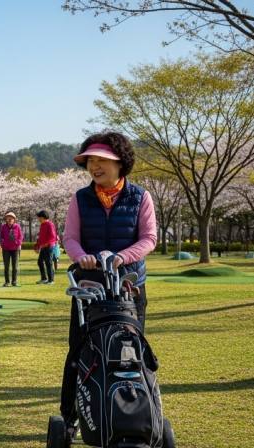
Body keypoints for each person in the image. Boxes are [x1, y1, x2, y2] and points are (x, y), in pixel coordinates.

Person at [59, 131, 157, 432]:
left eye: (102, 160)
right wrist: (82, 257)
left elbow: (149, 238)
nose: (95, 166)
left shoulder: (140, 197)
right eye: (90, 161)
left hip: (129, 286)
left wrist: (122, 257)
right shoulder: (81, 198)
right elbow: (70, 238)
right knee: (80, 349)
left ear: (120, 163)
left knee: (130, 350)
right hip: (90, 288)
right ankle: (71, 416)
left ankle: (136, 413)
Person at [34, 210, 59, 284]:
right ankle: (44, 278)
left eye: (39, 217)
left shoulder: (50, 224)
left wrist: (46, 243)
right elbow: (40, 237)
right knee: (40, 262)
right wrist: (37, 246)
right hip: (43, 247)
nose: (38, 219)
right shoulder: (42, 225)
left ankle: (51, 280)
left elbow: (53, 236)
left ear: (43, 217)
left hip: (49, 247)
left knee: (48, 263)